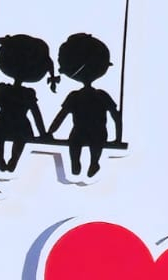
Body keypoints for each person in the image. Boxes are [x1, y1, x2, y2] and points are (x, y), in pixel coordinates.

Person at [0, 33, 58, 174]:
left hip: (5, 122)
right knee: (12, 140)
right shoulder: (23, 93)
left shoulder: (7, 91)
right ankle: (5, 158)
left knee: (3, 139)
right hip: (18, 124)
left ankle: (7, 159)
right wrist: (43, 133)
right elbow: (36, 115)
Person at [48, 32, 122, 178]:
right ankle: (77, 162)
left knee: (94, 141)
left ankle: (93, 162)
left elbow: (116, 116)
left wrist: (49, 133)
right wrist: (49, 132)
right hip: (82, 131)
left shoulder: (88, 96)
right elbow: (61, 116)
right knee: (77, 142)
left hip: (95, 131)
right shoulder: (84, 96)